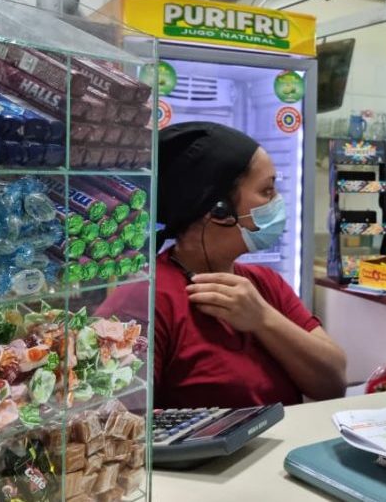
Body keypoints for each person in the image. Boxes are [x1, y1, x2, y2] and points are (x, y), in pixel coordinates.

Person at [98, 121, 346, 408]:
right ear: (218, 209)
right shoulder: (146, 298)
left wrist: (263, 319)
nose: (278, 202)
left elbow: (333, 382)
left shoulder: (265, 283)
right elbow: (123, 424)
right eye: (267, 191)